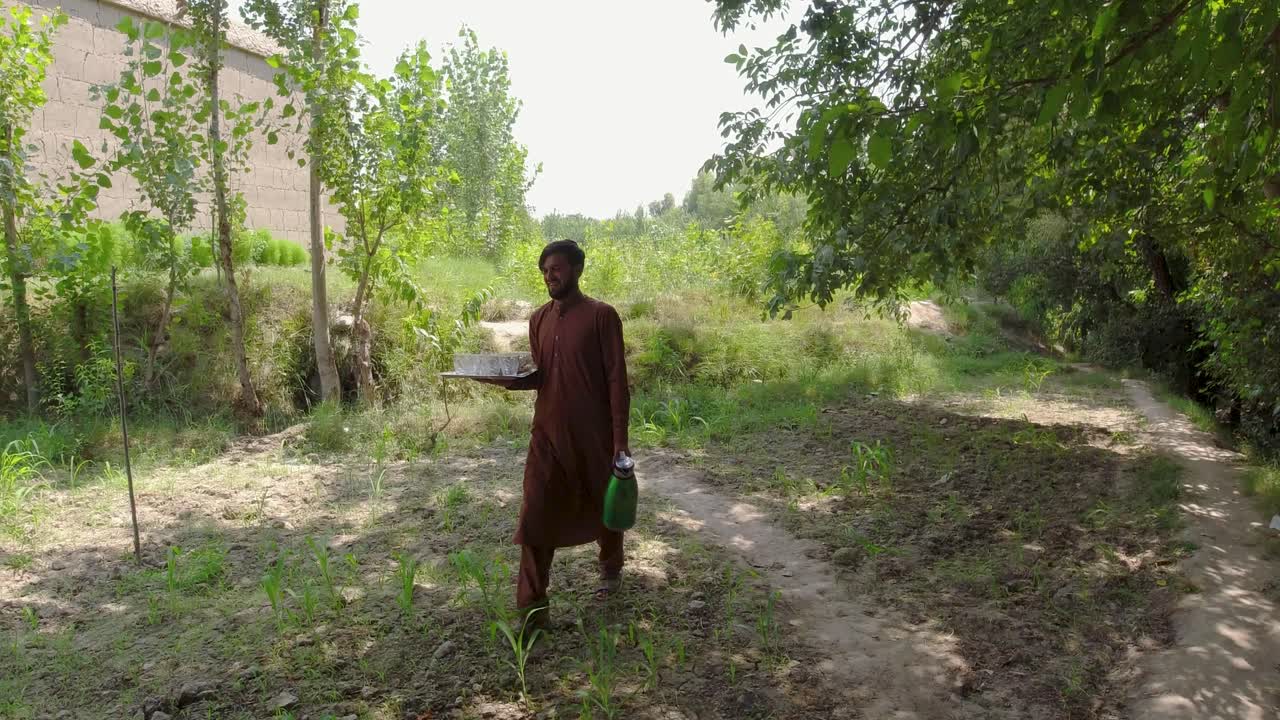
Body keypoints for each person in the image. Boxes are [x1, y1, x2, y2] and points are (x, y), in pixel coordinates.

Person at [482, 239, 631, 631]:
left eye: (558, 268)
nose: (550, 275)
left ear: (578, 269)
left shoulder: (602, 317)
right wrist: (502, 380)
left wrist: (620, 444)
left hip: (594, 436)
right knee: (534, 514)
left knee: (604, 503)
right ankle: (532, 609)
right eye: (545, 270)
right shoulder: (538, 320)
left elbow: (617, 382)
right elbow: (541, 377)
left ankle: (611, 568)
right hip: (546, 434)